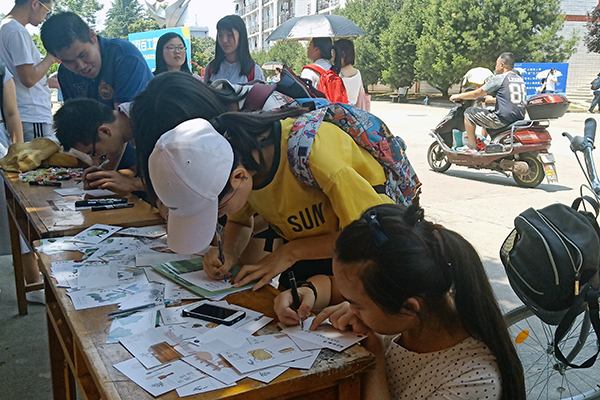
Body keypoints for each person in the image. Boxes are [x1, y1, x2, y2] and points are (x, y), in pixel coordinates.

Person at [134, 78, 395, 292]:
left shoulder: (315, 154)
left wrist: (289, 253)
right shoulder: (235, 161)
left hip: (363, 260)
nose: (218, 220)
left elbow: (368, 235)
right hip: (307, 257)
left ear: (238, 177)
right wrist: (230, 253)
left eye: (218, 210)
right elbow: (240, 222)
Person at [274, 201, 526, 399]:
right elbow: (334, 287)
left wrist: (374, 357)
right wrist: (309, 292)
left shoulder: (473, 379)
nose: (349, 308)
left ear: (408, 308)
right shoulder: (413, 299)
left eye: (357, 305)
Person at [40, 12, 153, 111]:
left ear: (92, 36)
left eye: (83, 55)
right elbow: (75, 117)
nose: (81, 66)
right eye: (69, 62)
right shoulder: (65, 72)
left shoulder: (125, 55)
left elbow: (124, 118)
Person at [52, 98, 144, 193]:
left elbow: (156, 179)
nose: (95, 160)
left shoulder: (148, 121)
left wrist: (132, 183)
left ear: (104, 131)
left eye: (94, 153)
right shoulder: (127, 122)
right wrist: (118, 175)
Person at [0, 0, 57, 143]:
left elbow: (14, 75)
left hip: (20, 114)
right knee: (40, 157)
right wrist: (51, 58)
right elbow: (28, 78)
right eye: (47, 10)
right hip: (32, 115)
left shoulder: (5, 27)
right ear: (35, 4)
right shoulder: (17, 30)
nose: (45, 17)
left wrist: (48, 81)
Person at [449, 52, 526, 153]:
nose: (495, 67)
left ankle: (472, 147)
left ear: (502, 65)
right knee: (488, 110)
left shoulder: (500, 78)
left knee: (469, 112)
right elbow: (510, 98)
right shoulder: (519, 79)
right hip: (518, 118)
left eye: (496, 64)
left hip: (502, 120)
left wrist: (457, 96)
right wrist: (492, 100)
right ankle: (488, 141)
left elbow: (476, 94)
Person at [204, 15, 264, 84]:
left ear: (240, 37)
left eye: (230, 35)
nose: (224, 40)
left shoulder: (254, 71)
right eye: (220, 35)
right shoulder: (211, 68)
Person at [335, 39, 368, 110]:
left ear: (343, 54)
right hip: (353, 112)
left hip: (339, 112)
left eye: (334, 54)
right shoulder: (358, 73)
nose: (332, 57)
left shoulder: (336, 74)